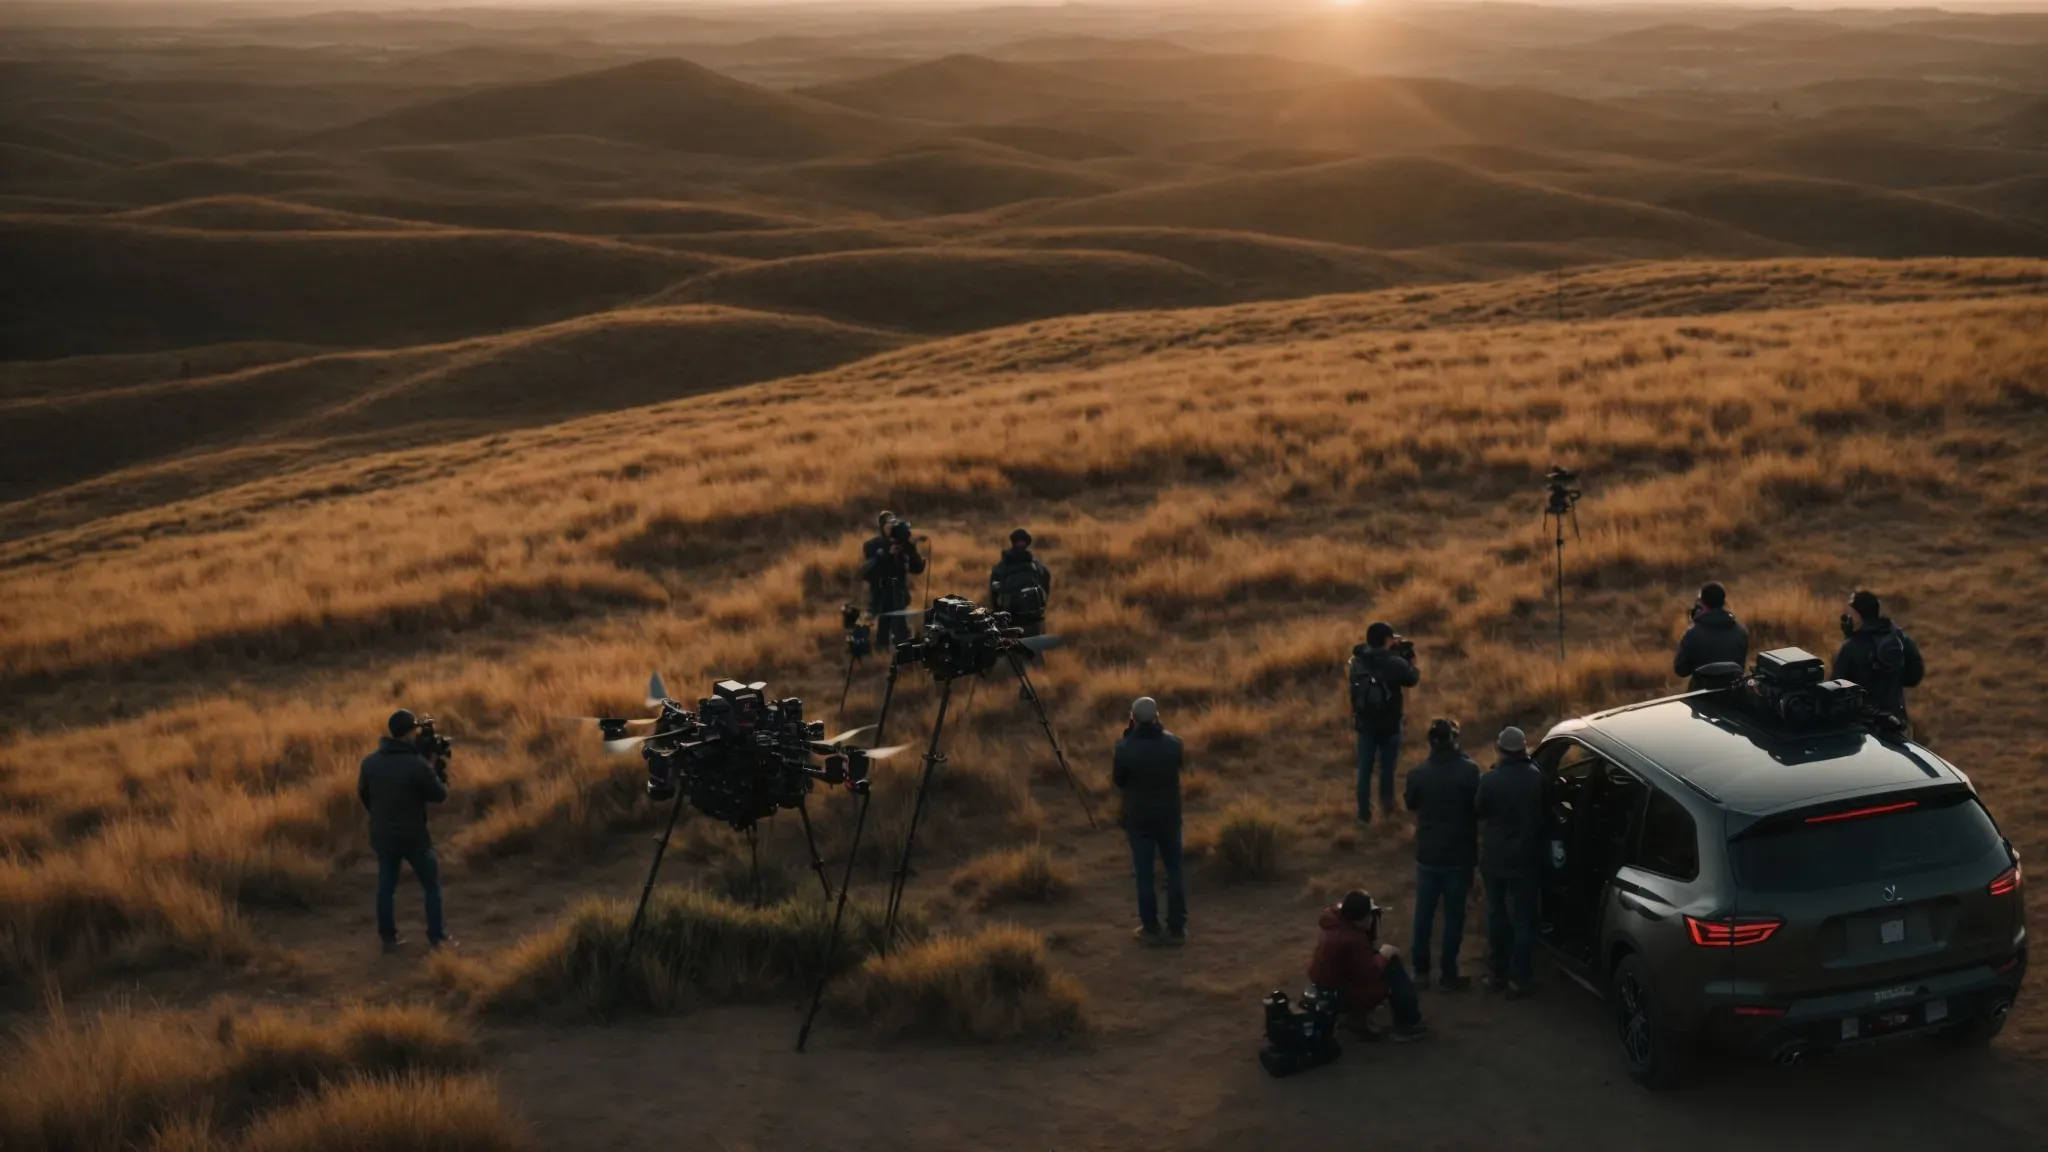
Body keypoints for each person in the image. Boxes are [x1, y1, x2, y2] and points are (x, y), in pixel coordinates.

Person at [358, 709, 454, 953]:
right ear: (410, 732)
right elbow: (440, 794)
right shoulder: (417, 764)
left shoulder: (370, 763)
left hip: (382, 834)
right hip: (414, 836)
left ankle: (388, 939)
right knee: (431, 885)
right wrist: (431, 767)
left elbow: (365, 796)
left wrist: (382, 816)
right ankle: (437, 939)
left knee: (386, 886)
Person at [1403, 718, 1479, 991]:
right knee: (1454, 917)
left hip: (1427, 853)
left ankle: (1420, 971)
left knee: (1423, 916)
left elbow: (1410, 802)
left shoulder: (1418, 773)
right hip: (1459, 855)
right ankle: (1449, 974)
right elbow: (1478, 805)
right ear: (1454, 740)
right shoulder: (1469, 771)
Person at [1475, 726, 1545, 998]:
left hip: (1496, 858)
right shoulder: (1537, 777)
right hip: (1526, 859)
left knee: (1497, 914)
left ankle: (1497, 971)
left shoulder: (1491, 779)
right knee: (1525, 918)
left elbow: (1479, 809)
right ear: (1524, 747)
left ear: (1501, 750)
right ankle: (1520, 977)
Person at [1307, 889, 1428, 1041]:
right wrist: (1384, 956)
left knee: (1379, 957)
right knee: (1393, 967)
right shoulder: (1352, 939)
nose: (1372, 919)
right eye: (1370, 915)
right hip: (1339, 992)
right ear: (1362, 918)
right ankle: (1406, 1025)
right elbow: (1370, 972)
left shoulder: (1334, 921)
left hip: (1325, 986)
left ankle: (1353, 1018)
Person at [1114, 696, 1186, 945]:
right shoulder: (1174, 744)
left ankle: (1151, 929)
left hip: (1139, 818)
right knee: (1174, 871)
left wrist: (1128, 738)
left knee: (1144, 876)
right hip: (1169, 815)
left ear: (1133, 719)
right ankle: (1177, 928)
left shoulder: (1124, 748)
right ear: (1157, 717)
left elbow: (1119, 781)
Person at [1348, 621, 1420, 824]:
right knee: (1386, 769)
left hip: (1364, 724)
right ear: (1387, 640)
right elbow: (1412, 679)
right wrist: (1410, 660)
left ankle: (1363, 815)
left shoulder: (1358, 660)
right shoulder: (1394, 664)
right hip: (1389, 724)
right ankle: (1387, 809)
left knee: (1364, 771)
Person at [1832, 590, 1925, 719]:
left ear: (1859, 616)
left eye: (1852, 613)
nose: (1848, 617)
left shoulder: (1850, 648)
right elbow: (1915, 676)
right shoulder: (1899, 639)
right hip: (1897, 721)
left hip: (1864, 728)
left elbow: (1835, 692)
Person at [990, 528, 1052, 694]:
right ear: (1027, 543)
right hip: (1033, 616)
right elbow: (1046, 583)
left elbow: (994, 590)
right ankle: (1041, 683)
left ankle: (1018, 685)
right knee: (1035, 650)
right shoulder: (1036, 565)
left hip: (1010, 617)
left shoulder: (1001, 567)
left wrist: (998, 613)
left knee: (1013, 653)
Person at [858, 511, 926, 654]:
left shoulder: (904, 545)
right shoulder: (873, 545)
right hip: (880, 592)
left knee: (901, 627)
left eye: (893, 525)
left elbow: (918, 568)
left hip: (898, 592)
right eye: (888, 525)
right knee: (880, 626)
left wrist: (910, 548)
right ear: (882, 527)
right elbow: (869, 571)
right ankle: (877, 652)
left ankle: (905, 655)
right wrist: (887, 553)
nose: (891, 529)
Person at [1673, 580, 1750, 688]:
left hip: (1700, 696)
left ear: (1702, 603)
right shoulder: (1741, 632)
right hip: (1732, 693)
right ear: (1723, 602)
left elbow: (1681, 670)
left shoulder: (1692, 635)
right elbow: (1740, 667)